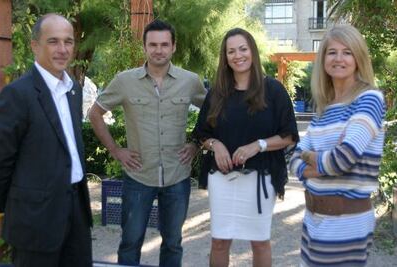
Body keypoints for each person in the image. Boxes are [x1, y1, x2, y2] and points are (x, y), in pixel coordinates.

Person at [88, 19, 206, 266]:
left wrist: (196, 143)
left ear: (174, 47)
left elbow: (213, 114)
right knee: (130, 241)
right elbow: (95, 113)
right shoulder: (124, 81)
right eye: (153, 44)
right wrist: (115, 150)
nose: (158, 50)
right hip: (138, 176)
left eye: (164, 44)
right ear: (144, 47)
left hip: (177, 176)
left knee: (173, 243)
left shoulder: (190, 81)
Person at [0, 14, 93, 267]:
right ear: (35, 46)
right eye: (53, 41)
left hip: (76, 210)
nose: (63, 49)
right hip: (34, 220)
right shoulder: (17, 95)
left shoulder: (74, 90)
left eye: (69, 41)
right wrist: (15, 207)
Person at [192, 28, 298, 267]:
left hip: (261, 177)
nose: (237, 55)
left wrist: (258, 146)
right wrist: (215, 145)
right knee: (219, 241)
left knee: (259, 241)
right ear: (225, 57)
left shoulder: (274, 90)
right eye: (231, 51)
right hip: (222, 178)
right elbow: (201, 134)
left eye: (243, 49)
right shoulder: (217, 94)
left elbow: (289, 135)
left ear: (252, 51)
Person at [289, 25, 386, 267]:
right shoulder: (323, 109)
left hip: (346, 224)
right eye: (332, 52)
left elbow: (340, 160)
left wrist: (310, 156)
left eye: (347, 52)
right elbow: (293, 158)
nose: (339, 59)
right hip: (313, 220)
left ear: (358, 57)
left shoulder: (369, 99)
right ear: (323, 59)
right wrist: (321, 159)